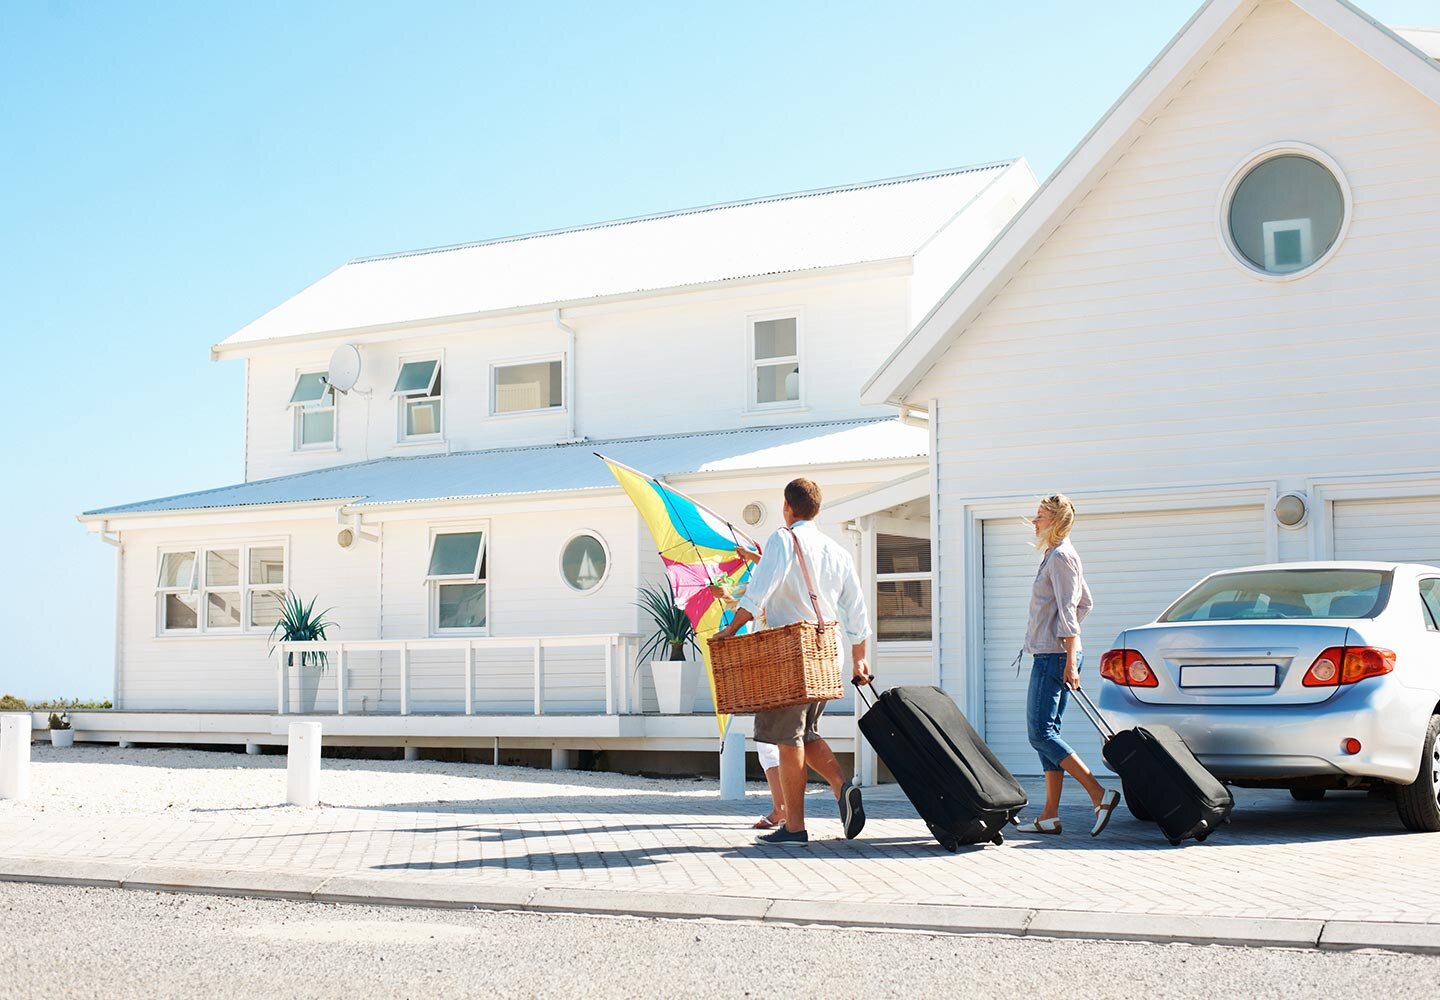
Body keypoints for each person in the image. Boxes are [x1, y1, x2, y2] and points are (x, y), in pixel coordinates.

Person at [712, 478, 872, 847]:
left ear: (787, 507)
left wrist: (731, 628)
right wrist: (859, 660)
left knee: (787, 739)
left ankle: (795, 827)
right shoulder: (837, 550)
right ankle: (841, 786)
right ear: (817, 509)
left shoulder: (783, 539)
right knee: (806, 733)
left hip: (789, 655)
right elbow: (857, 612)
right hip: (825, 654)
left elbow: (760, 590)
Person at [1014, 493, 1119, 837]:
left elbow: (1073, 609)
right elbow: (1085, 601)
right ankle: (1049, 815)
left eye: (1041, 515)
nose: (1034, 520)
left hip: (1055, 657)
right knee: (1048, 735)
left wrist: (1069, 655)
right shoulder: (1055, 556)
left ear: (1056, 520)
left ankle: (1099, 794)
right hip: (1055, 653)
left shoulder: (1061, 557)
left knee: (1040, 733)